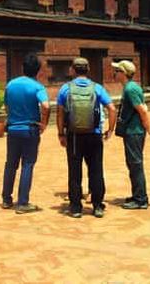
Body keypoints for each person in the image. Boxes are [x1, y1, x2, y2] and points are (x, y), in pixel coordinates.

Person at [57, 57, 117, 218]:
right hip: (95, 134)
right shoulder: (97, 88)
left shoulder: (65, 89)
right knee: (96, 170)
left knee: (75, 171)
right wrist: (110, 129)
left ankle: (76, 207)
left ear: (72, 70)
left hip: (74, 136)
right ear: (88, 69)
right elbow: (112, 109)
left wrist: (61, 134)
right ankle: (97, 206)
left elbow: (60, 113)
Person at [1, 54, 51, 214]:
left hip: (13, 129)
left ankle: (6, 199)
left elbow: (7, 106)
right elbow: (46, 106)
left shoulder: (10, 85)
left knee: (10, 164)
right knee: (27, 165)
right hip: (30, 130)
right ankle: (23, 202)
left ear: (23, 68)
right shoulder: (38, 87)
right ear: (37, 71)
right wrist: (43, 123)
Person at [112, 60, 150, 210]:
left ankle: (141, 199)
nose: (115, 73)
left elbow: (142, 110)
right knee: (133, 164)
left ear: (123, 73)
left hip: (134, 132)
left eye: (117, 70)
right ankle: (137, 194)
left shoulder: (130, 89)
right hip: (133, 131)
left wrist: (149, 129)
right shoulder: (131, 87)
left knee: (135, 164)